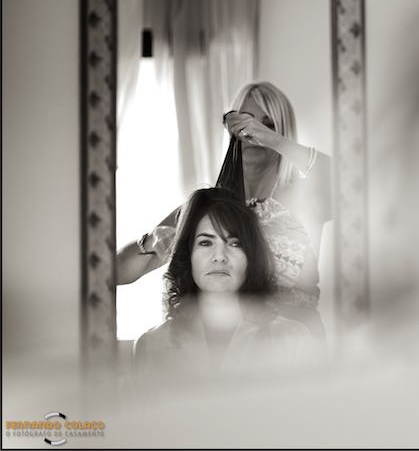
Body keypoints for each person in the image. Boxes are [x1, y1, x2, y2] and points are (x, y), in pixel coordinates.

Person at [117, 81, 333, 338]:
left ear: (283, 132)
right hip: (225, 347)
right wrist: (151, 240)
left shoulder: (306, 196)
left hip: (296, 344)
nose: (252, 130)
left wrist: (271, 139)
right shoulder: (208, 208)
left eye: (269, 124)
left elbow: (353, 181)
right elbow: (116, 272)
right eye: (246, 120)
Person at [133, 187, 318, 380]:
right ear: (188, 255)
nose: (220, 256)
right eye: (206, 243)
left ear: (251, 256)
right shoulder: (149, 346)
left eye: (235, 243)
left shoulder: (294, 340)